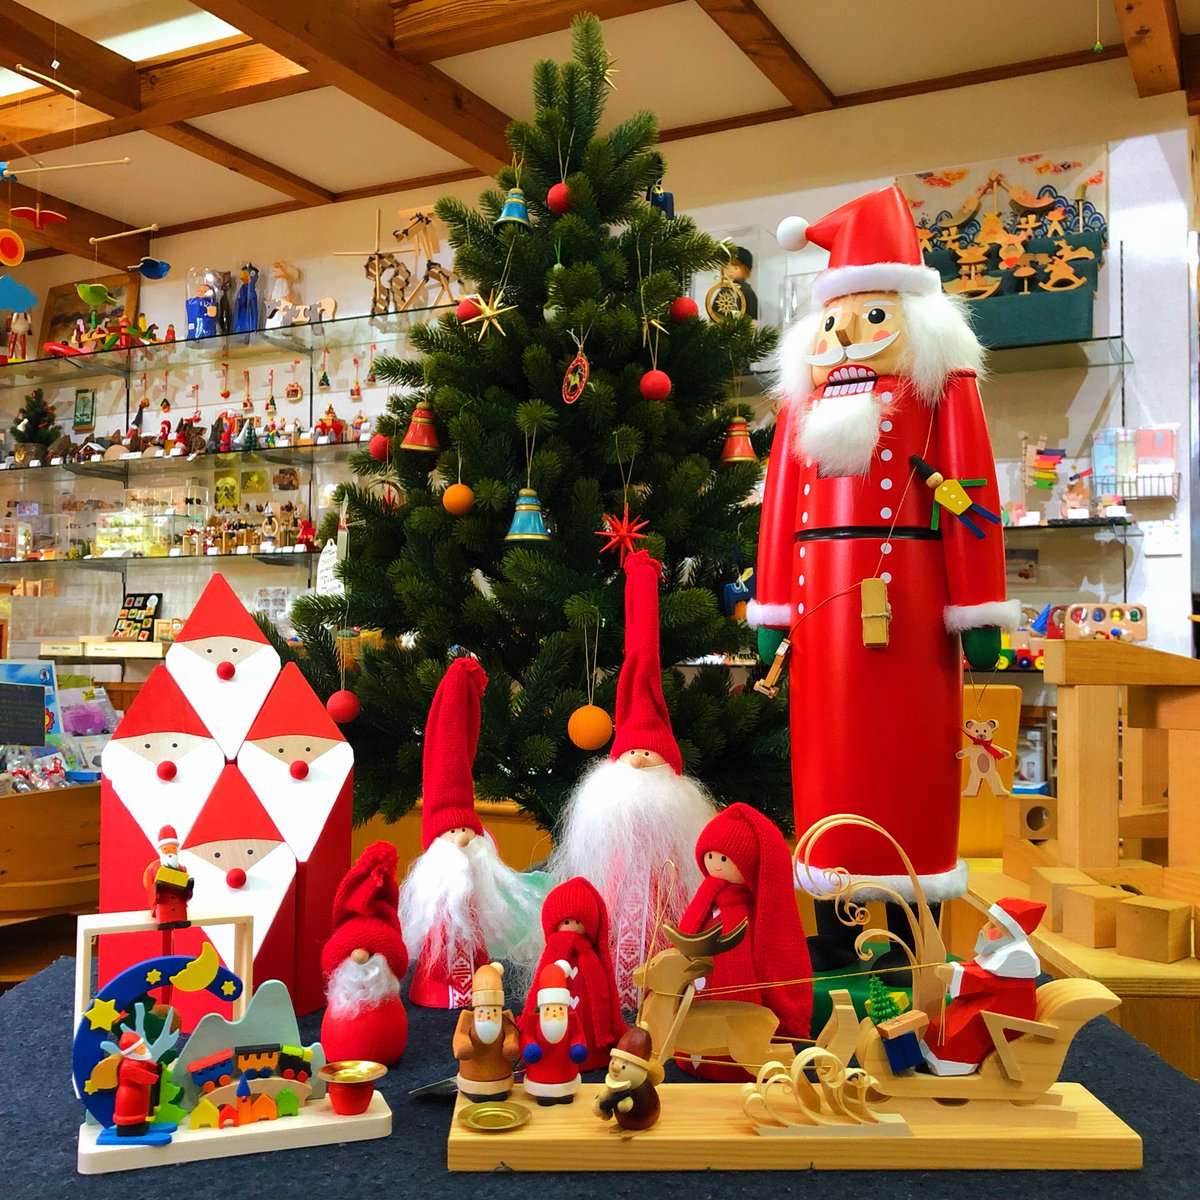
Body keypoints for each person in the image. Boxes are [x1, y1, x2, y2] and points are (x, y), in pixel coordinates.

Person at [752, 186, 1018, 974]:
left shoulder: (943, 391)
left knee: (909, 763)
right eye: (835, 319)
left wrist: (978, 608)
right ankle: (835, 938)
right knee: (828, 760)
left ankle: (913, 939)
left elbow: (972, 499)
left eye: (873, 315)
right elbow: (778, 513)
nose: (848, 334)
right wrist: (774, 609)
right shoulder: (800, 406)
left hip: (913, 604)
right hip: (821, 614)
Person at [549, 551, 715, 1007]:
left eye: (648, 754)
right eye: (632, 753)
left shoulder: (680, 829)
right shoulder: (608, 829)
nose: (639, 763)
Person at [399, 657, 544, 1007]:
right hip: (434, 991)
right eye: (452, 832)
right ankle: (442, 989)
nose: (462, 838)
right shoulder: (438, 891)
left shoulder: (474, 892)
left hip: (481, 986)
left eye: (465, 829)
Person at [677, 802, 813, 1077]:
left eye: (724, 859)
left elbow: (775, 956)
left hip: (739, 1006)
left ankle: (736, 1055)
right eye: (710, 856)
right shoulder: (705, 899)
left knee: (735, 1024)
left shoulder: (755, 915)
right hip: (697, 994)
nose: (715, 865)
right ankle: (696, 1053)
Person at [921, 897, 1045, 1075]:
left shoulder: (1018, 956)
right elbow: (980, 969)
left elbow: (991, 983)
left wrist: (956, 973)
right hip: (986, 1003)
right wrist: (956, 969)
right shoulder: (1000, 950)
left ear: (1011, 934)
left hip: (1003, 1011)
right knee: (940, 1022)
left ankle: (951, 1066)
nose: (984, 929)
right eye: (988, 922)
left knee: (958, 1031)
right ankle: (929, 1059)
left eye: (994, 927)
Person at [520, 878, 624, 1070]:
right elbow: (537, 991)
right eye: (566, 922)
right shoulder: (552, 953)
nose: (572, 926)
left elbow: (603, 993)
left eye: (578, 922)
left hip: (592, 1046)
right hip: (552, 1040)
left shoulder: (590, 957)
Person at [320, 841, 409, 1065]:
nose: (359, 956)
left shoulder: (388, 1003)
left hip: (385, 1054)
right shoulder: (340, 1003)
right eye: (351, 951)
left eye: (371, 952)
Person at [520, 960, 588, 1105]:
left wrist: (578, 1047)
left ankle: (565, 1094)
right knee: (545, 1100)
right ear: (542, 1008)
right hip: (540, 1074)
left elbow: (578, 1035)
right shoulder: (533, 1020)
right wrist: (530, 1047)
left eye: (559, 1009)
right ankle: (544, 1097)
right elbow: (527, 1036)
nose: (555, 1013)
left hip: (566, 1072)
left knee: (566, 1097)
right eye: (549, 1010)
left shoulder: (572, 1019)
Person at [452, 961, 521, 1101]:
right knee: (477, 1097)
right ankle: (477, 1093)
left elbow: (511, 1034)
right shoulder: (467, 1018)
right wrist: (463, 1045)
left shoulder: (505, 1018)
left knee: (500, 1096)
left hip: (501, 1074)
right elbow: (460, 1034)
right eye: (483, 1011)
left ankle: (498, 1091)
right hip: (472, 1075)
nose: (488, 1015)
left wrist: (511, 1045)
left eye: (494, 1010)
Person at [593, 1024, 663, 1131]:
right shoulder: (617, 1086)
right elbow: (607, 1095)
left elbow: (628, 1105)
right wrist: (601, 1100)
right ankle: (624, 1124)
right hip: (623, 1118)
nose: (615, 1067)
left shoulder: (641, 1087)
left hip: (643, 1117)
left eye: (624, 1066)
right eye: (614, 1061)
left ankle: (640, 1125)